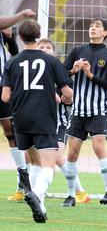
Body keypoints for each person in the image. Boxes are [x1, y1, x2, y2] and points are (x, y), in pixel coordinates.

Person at [1, 19, 73, 223]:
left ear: (21, 37)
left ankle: (35, 202)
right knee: (49, 165)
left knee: (33, 161)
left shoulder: (12, 62)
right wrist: (67, 97)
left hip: (21, 118)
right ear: (38, 35)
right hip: (44, 117)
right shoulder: (51, 61)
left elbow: (5, 96)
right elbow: (68, 92)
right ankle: (37, 195)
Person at [63, 19, 107, 206]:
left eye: (97, 26)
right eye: (91, 26)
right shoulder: (77, 51)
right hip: (78, 110)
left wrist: (90, 75)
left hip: (98, 110)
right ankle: (71, 195)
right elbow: (61, 75)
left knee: (98, 147)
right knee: (72, 153)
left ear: (105, 33)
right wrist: (73, 70)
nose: (93, 28)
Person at [37, 38, 90, 204]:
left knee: (56, 157)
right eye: (41, 47)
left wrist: (64, 97)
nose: (45, 49)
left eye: (48, 47)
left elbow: (68, 94)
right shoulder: (32, 68)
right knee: (31, 156)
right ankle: (27, 190)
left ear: (54, 52)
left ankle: (78, 192)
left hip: (57, 121)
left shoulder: (57, 69)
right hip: (37, 120)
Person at [0, 9, 36, 202]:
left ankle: (23, 178)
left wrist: (10, 36)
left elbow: (14, 52)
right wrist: (22, 15)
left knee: (11, 133)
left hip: (1, 86)